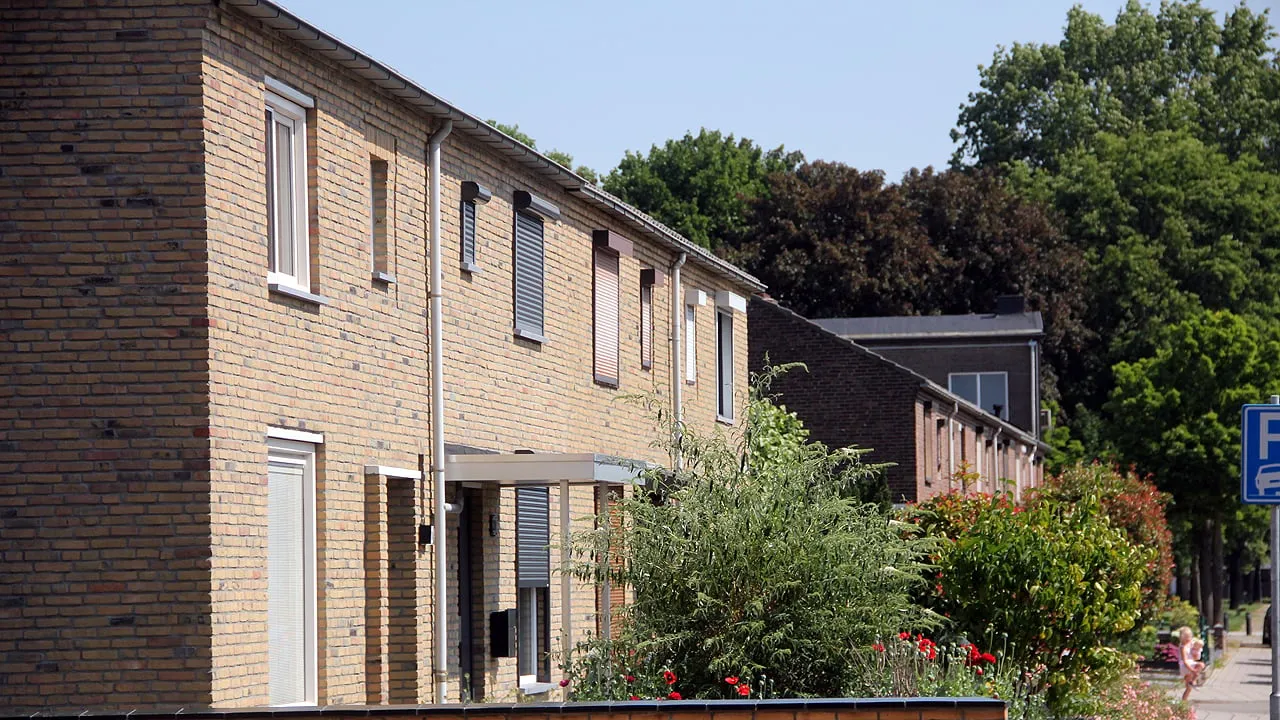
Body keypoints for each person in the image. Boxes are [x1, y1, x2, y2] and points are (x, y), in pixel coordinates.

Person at [1176, 626, 1200, 700]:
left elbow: (1195, 658)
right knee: (1201, 665)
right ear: (1182, 638)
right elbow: (1185, 660)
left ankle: (1184, 702)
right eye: (1186, 638)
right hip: (1185, 666)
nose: (1189, 639)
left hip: (1190, 664)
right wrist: (1192, 670)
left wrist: (1196, 653)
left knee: (1188, 688)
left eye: (1189, 637)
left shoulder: (1190, 645)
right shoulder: (1182, 647)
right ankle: (1193, 681)